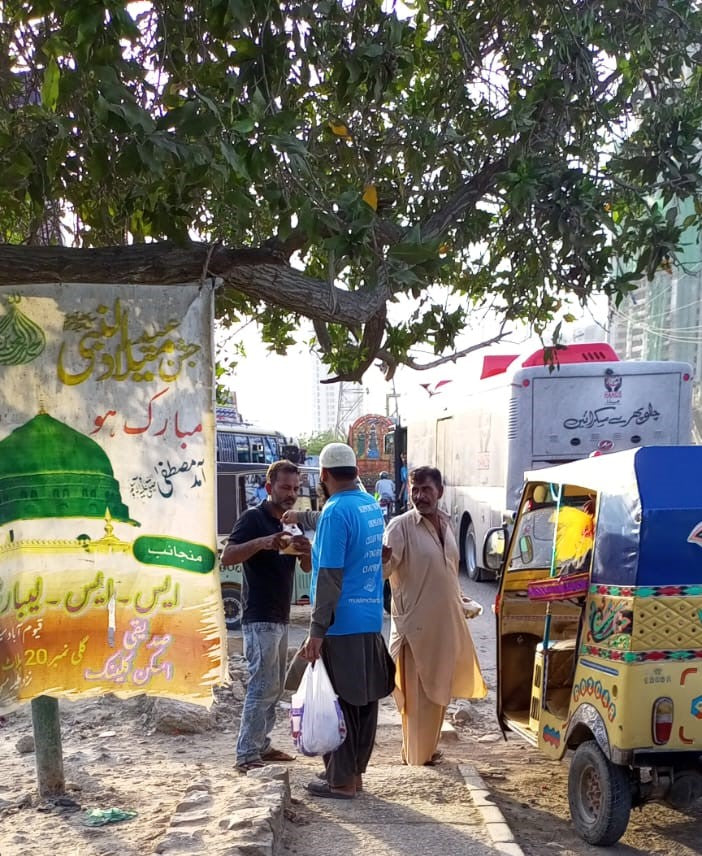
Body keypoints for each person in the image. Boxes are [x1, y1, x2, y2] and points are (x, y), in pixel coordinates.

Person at [300, 442, 395, 799]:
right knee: (363, 704)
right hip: (369, 619)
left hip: (340, 623)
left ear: (323, 475)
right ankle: (354, 776)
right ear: (355, 471)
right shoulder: (370, 506)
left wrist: (316, 630)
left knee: (335, 705)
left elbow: (329, 575)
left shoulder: (335, 512)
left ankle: (340, 782)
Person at [383, 466, 487, 766]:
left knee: (438, 694)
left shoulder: (445, 522)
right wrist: (381, 560)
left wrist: (460, 598)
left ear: (440, 491)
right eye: (415, 489)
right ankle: (416, 763)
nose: (419, 496)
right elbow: (385, 570)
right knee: (417, 701)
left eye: (426, 489)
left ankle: (424, 754)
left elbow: (448, 571)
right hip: (415, 631)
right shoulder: (400, 527)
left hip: (445, 626)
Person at [220, 460, 312, 773]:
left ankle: (261, 744)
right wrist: (263, 543)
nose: (291, 494)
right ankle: (246, 754)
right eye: (286, 488)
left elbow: (306, 568)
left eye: (296, 489)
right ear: (269, 487)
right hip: (259, 616)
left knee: (274, 687)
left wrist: (306, 550)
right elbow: (228, 556)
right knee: (261, 686)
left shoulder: (291, 522)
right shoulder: (253, 518)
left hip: (280, 616)